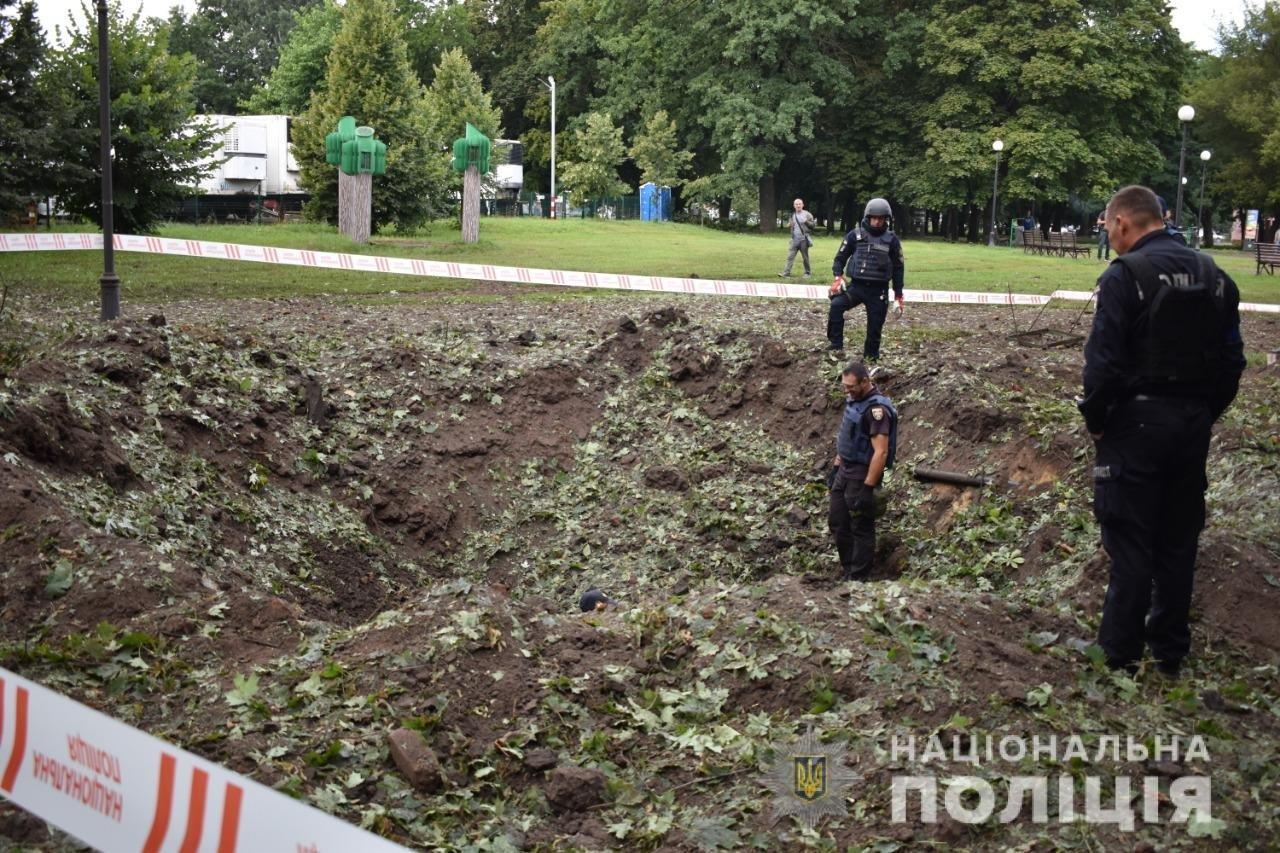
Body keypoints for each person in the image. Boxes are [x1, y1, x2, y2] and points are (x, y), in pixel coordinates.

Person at [1079, 185, 1246, 679]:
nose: (1108, 236)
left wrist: (1098, 420)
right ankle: (1170, 651)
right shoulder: (1215, 276)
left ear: (1125, 224)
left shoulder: (1125, 276)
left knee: (1130, 539)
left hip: (1136, 423)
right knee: (1178, 539)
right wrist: (1203, 412)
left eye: (1108, 227)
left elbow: (1102, 365)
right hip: (1192, 424)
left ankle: (1119, 657)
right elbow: (1233, 361)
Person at [827, 361, 897, 581]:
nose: (847, 391)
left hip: (861, 473)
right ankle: (848, 569)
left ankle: (859, 579)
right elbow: (848, 436)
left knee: (861, 526)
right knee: (837, 520)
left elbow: (881, 452)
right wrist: (836, 466)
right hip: (844, 470)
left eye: (851, 387)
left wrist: (868, 488)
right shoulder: (854, 401)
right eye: (844, 386)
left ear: (865, 382)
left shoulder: (877, 411)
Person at [827, 198, 905, 358]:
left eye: (881, 218)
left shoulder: (892, 240)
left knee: (875, 328)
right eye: (874, 218)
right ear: (868, 217)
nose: (877, 221)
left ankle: (870, 359)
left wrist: (898, 295)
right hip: (857, 288)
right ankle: (836, 347)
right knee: (836, 306)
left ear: (886, 219)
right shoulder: (854, 236)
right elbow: (840, 258)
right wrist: (838, 277)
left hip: (879, 292)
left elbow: (898, 268)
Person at [780, 198, 816, 277]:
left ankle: (807, 273)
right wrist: (790, 225)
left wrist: (806, 222)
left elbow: (813, 226)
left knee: (805, 257)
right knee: (790, 257)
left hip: (804, 240)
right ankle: (786, 273)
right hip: (794, 240)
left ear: (803, 205)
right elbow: (792, 225)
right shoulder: (793, 215)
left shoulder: (807, 214)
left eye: (800, 204)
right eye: (796, 204)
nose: (798, 205)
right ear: (794, 206)